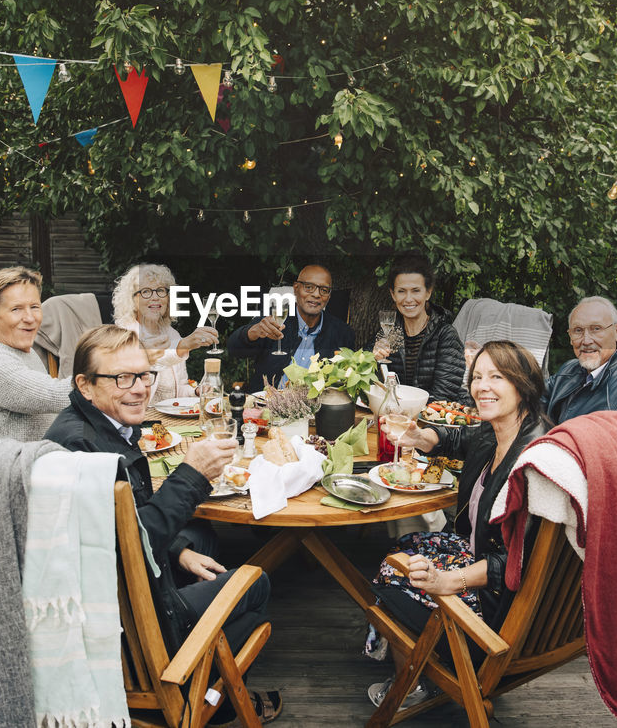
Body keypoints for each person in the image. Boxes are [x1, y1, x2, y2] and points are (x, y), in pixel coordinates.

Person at [43, 325, 282, 724]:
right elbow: (128, 554)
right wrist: (192, 473)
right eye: (122, 378)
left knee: (200, 538)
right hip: (136, 626)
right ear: (85, 385)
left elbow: (124, 525)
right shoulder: (83, 452)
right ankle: (205, 700)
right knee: (256, 586)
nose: (139, 388)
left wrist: (179, 552)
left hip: (129, 591)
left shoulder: (101, 427)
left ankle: (208, 670)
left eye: (143, 375)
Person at [364, 340, 550, 707]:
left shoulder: (533, 462)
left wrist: (448, 581)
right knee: (404, 547)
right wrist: (421, 437)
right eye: (477, 376)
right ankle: (416, 659)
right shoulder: (500, 428)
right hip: (480, 559)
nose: (482, 386)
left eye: (496, 376)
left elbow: (519, 561)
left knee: (395, 579)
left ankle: (422, 679)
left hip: (497, 604)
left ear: (523, 384)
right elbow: (458, 437)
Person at [0, 266, 72, 440]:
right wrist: (106, 379)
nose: (30, 318)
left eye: (35, 307)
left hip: (33, 461)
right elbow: (53, 395)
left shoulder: (27, 353)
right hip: (6, 466)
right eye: (16, 309)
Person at [226, 263, 354, 391]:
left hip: (318, 408)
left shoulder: (343, 333)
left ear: (329, 296)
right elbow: (233, 349)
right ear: (296, 289)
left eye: (324, 290)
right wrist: (252, 332)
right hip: (266, 404)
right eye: (309, 287)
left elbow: (346, 379)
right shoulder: (274, 319)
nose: (316, 294)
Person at [111, 263, 219, 404]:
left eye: (161, 291)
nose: (155, 297)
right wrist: (182, 346)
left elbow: (179, 389)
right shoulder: (124, 335)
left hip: (170, 418)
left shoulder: (172, 334)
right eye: (146, 291)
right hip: (139, 418)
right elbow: (146, 366)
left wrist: (197, 391)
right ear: (132, 300)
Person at [541, 296, 617, 423]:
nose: (586, 340)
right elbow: (533, 396)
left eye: (596, 329)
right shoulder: (570, 369)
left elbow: (610, 443)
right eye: (578, 330)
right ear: (570, 337)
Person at [371, 254, 466, 401]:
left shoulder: (445, 335)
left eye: (416, 290)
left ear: (428, 292)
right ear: (393, 294)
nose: (408, 299)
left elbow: (444, 396)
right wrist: (373, 360)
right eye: (401, 291)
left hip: (430, 420)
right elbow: (368, 383)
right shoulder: (389, 333)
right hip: (394, 417)